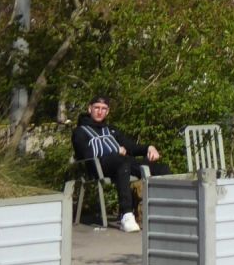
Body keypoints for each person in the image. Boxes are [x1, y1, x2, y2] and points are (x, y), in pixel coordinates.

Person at [72, 95, 170, 232]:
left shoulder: (111, 130)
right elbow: (84, 154)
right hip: (99, 167)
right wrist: (113, 150)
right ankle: (127, 214)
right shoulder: (80, 132)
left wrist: (149, 147)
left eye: (103, 109)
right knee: (122, 162)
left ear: (108, 111)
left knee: (161, 168)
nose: (100, 111)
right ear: (90, 109)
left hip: (122, 163)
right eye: (96, 108)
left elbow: (130, 146)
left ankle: (168, 209)